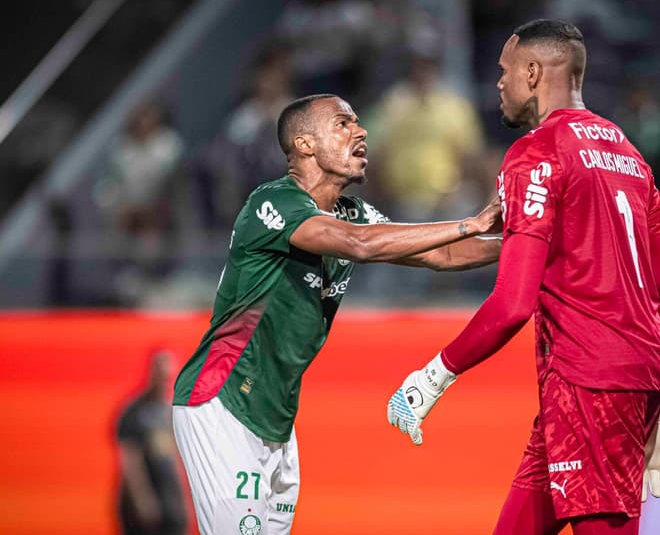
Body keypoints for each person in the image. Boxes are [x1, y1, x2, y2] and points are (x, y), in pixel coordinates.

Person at [387, 19, 660, 534]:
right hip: (606, 385)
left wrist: (433, 377)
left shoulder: (537, 153)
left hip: (590, 385)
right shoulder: (627, 153)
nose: (499, 84)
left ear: (532, 72)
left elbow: (513, 303)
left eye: (505, 71)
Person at [172, 93, 501, 535]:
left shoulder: (352, 211)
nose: (360, 131)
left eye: (358, 123)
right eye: (343, 123)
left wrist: (529, 245)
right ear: (305, 144)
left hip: (276, 418)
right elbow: (358, 244)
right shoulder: (273, 203)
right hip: (221, 402)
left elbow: (442, 253)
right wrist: (471, 221)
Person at [117, 350, 187, 535]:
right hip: (145, 505)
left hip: (170, 502)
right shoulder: (135, 411)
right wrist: (142, 499)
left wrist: (185, 500)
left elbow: (177, 460)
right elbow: (130, 460)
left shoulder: (172, 413)